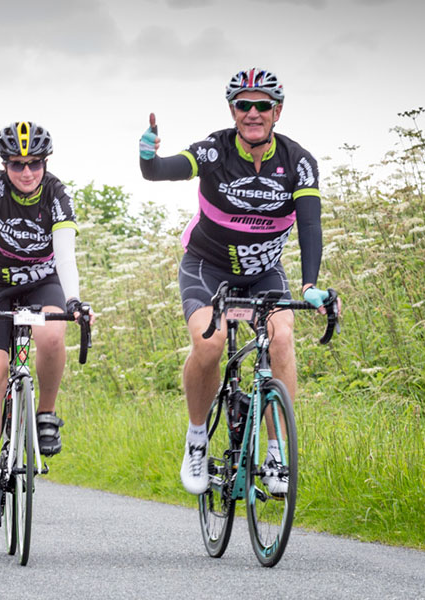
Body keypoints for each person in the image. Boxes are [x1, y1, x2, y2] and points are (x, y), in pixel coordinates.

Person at [139, 68, 337, 496]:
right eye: (243, 105)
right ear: (232, 110)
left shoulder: (299, 162)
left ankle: (275, 451)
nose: (253, 113)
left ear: (277, 111)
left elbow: (310, 224)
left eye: (262, 105)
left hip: (264, 271)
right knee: (209, 344)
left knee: (281, 337)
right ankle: (196, 440)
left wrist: (309, 286)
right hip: (207, 267)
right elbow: (160, 172)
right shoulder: (214, 151)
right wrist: (149, 157)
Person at [0, 96, 94, 521]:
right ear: (5, 166)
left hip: (41, 281)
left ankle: (45, 413)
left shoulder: (56, 195)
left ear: (45, 164)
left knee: (52, 333)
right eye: (17, 164)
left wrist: (72, 301)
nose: (27, 172)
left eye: (35, 164)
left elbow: (64, 253)